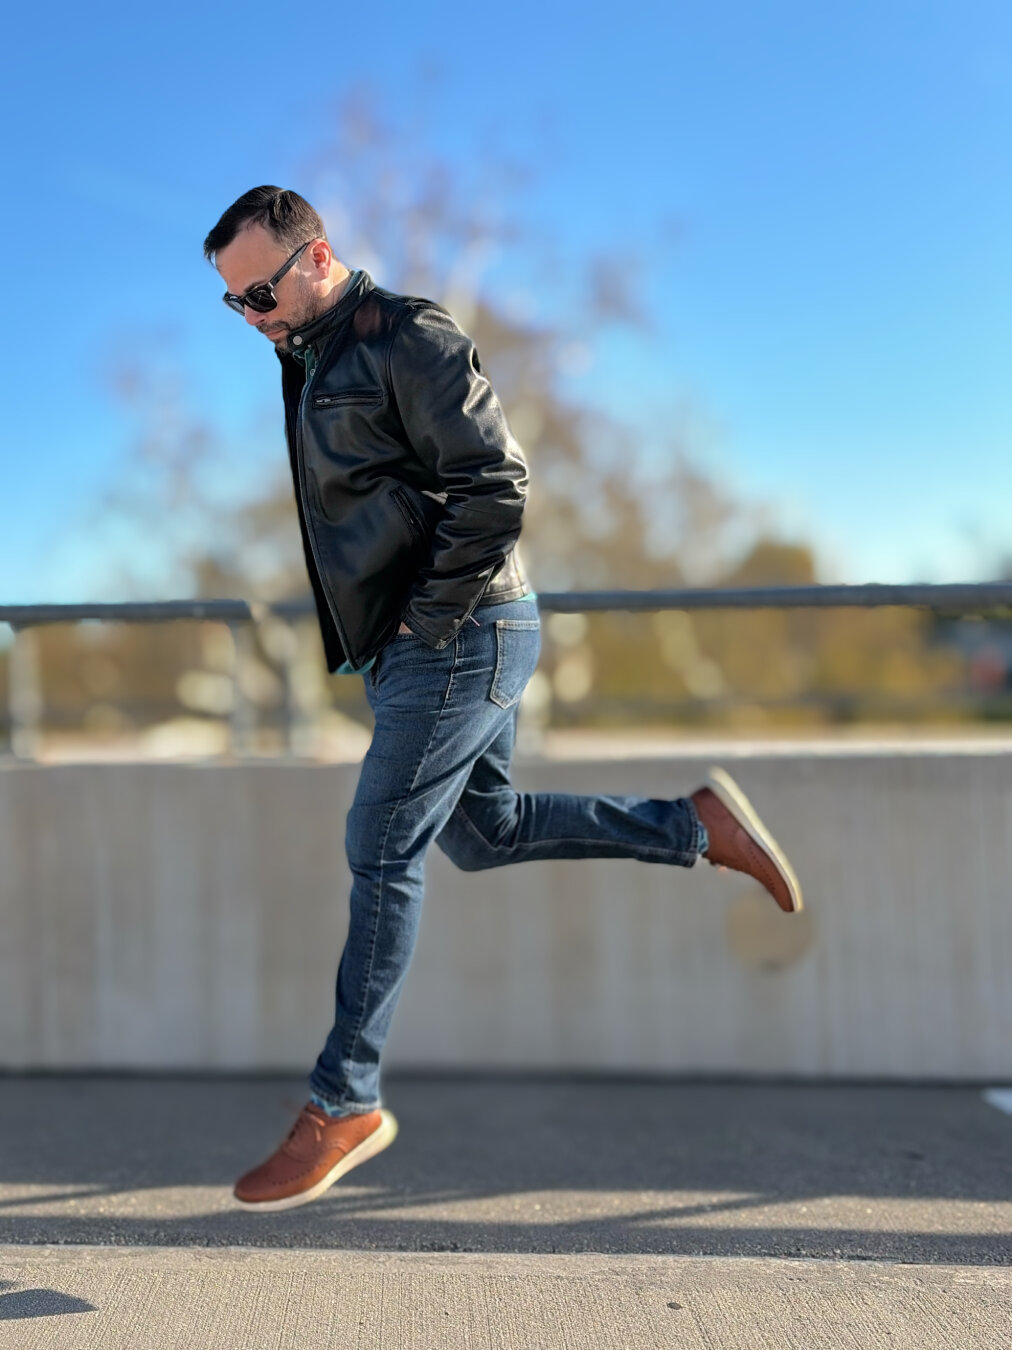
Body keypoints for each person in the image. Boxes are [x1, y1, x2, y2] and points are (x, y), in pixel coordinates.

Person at [203, 186, 803, 1213]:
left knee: (380, 844)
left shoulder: (406, 334)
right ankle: (692, 827)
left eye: (262, 292)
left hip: (461, 629)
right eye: (234, 303)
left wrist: (423, 623)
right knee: (486, 832)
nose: (252, 317)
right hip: (427, 642)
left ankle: (343, 1101)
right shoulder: (312, 354)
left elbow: (495, 485)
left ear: (319, 256)